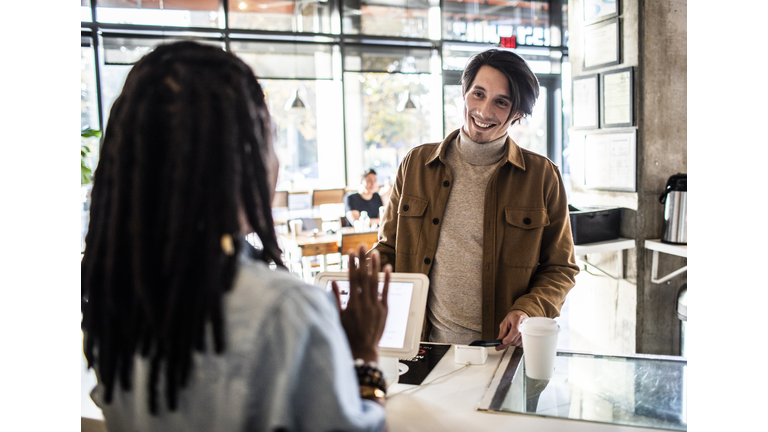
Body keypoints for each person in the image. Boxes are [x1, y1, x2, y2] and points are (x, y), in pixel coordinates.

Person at [81, 41, 391, 431]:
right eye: (271, 137)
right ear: (243, 156)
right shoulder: (285, 310)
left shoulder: (116, 297)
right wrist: (363, 358)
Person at [371, 48, 579, 351]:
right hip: (424, 348)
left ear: (517, 113)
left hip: (502, 351)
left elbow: (561, 267)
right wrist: (359, 278)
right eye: (478, 94)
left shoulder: (543, 176)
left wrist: (529, 309)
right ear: (464, 93)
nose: (484, 111)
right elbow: (389, 249)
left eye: (501, 102)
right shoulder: (415, 164)